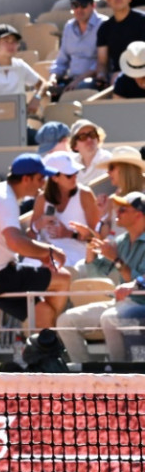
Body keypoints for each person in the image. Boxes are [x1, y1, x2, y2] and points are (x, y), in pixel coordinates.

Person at [0, 153, 72, 329]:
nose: (43, 184)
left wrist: (39, 253)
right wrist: (50, 251)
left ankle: (44, 345)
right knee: (63, 278)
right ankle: (52, 336)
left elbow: (12, 241)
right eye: (40, 178)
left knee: (43, 311)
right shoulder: (6, 199)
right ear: (26, 179)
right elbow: (15, 242)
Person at [57, 192, 145, 362]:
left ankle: (117, 373)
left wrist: (116, 260)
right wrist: (90, 240)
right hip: (121, 303)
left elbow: (136, 281)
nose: (117, 213)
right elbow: (95, 272)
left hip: (140, 305)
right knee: (65, 321)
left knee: (108, 317)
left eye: (123, 210)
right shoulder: (122, 241)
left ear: (139, 215)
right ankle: (85, 376)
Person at [0, 24, 49, 146]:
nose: (11, 45)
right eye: (6, 41)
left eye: (14, 42)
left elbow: (43, 84)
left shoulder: (20, 65)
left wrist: (36, 98)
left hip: (18, 125)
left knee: (45, 142)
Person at [27, 152, 99, 267]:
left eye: (75, 172)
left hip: (77, 257)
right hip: (48, 254)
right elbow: (30, 235)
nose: (75, 177)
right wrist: (37, 226)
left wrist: (69, 234)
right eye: (69, 175)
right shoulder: (42, 199)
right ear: (54, 177)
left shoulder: (85, 194)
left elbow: (97, 238)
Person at [49, 0, 108, 100]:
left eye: (83, 5)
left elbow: (103, 62)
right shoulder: (69, 26)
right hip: (72, 79)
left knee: (81, 88)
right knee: (50, 91)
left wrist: (78, 80)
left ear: (93, 5)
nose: (79, 9)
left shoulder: (103, 24)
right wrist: (53, 77)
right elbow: (62, 59)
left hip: (93, 80)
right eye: (75, 5)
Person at [85, 146, 145, 239]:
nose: (108, 172)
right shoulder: (112, 199)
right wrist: (104, 214)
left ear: (125, 169)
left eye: (111, 167)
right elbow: (103, 238)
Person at [95, 0, 145, 87]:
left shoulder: (143, 21)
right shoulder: (104, 28)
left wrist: (123, 75)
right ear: (108, 0)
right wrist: (101, 76)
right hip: (117, 81)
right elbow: (102, 61)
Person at [69, 118, 111, 185]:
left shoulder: (107, 160)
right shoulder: (71, 163)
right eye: (82, 137)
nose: (89, 139)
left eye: (92, 134)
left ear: (98, 138)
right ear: (75, 146)